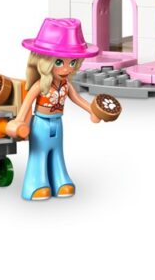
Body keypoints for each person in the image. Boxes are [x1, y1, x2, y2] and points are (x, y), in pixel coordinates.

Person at [6, 18, 103, 201]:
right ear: (45, 62)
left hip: (58, 122)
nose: (67, 68)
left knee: (57, 152)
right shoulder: (40, 85)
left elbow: (77, 99)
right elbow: (27, 102)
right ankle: (36, 184)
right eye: (59, 62)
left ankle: (60, 181)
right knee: (39, 153)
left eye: (72, 63)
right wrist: (19, 120)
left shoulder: (66, 85)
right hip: (41, 124)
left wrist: (91, 110)